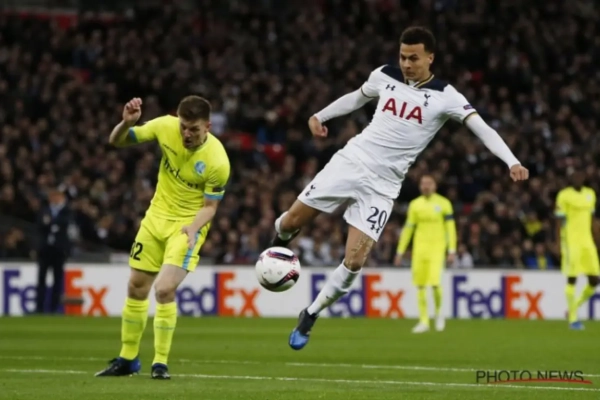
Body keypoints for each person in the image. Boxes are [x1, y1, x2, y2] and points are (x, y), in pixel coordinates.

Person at [271, 26, 529, 351]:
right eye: (403, 57)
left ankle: (310, 314)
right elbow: (357, 97)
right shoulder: (384, 75)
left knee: (354, 261)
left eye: (414, 58)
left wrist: (512, 161)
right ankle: (276, 248)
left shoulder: (446, 96)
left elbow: (483, 128)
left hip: (384, 186)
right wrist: (320, 116)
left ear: (430, 58)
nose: (406, 64)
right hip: (351, 161)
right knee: (291, 222)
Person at [95, 95, 230, 379]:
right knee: (136, 287)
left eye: (194, 129)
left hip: (187, 225)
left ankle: (160, 363)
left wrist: (193, 228)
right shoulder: (165, 126)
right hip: (155, 219)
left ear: (207, 127)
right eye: (183, 127)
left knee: (164, 289)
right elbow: (117, 141)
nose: (186, 134)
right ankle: (127, 359)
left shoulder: (218, 161)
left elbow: (210, 207)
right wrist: (126, 123)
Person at [394, 175, 456, 333]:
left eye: (429, 183)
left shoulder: (444, 203)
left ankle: (439, 314)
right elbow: (408, 229)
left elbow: (450, 228)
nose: (426, 186)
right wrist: (400, 251)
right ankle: (424, 321)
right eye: (423, 183)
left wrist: (452, 249)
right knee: (420, 285)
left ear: (435, 185)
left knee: (435, 283)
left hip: (437, 249)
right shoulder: (415, 205)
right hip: (419, 250)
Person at [555, 171, 599, 330]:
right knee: (572, 278)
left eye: (580, 176)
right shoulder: (564, 195)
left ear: (584, 178)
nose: (578, 179)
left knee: (595, 280)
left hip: (587, 241)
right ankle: (573, 319)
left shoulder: (590, 194)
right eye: (575, 177)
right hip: (570, 241)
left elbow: (592, 219)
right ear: (570, 179)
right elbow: (559, 220)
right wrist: (557, 242)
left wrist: (597, 239)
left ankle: (574, 308)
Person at [35, 188, 72, 314]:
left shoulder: (66, 211)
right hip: (45, 250)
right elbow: (40, 225)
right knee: (41, 279)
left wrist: (50, 223)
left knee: (57, 280)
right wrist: (54, 225)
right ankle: (39, 308)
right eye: (53, 196)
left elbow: (65, 224)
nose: (55, 198)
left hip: (59, 251)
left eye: (57, 196)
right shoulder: (44, 210)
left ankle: (54, 308)